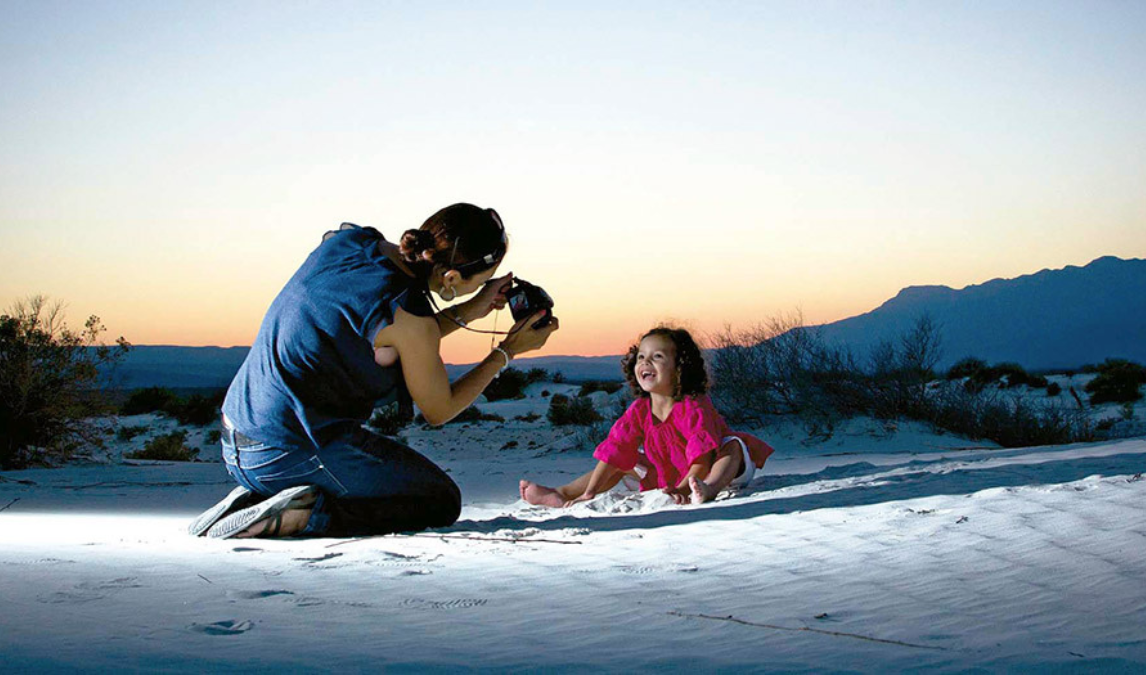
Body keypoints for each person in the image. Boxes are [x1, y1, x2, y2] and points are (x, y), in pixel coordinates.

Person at [190, 203, 558, 539]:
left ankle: (260, 496)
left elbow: (379, 328)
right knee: (439, 500)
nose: (478, 289)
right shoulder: (410, 319)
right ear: (449, 278)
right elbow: (439, 409)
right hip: (289, 449)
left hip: (237, 438)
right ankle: (300, 514)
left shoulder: (353, 242)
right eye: (478, 282)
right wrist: (507, 351)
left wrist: (470, 309)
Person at [520, 326, 772, 508]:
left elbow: (702, 459)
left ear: (680, 368)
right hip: (668, 475)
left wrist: (685, 489)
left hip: (714, 472)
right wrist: (591, 492)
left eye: (657, 357)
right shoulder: (640, 409)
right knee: (624, 461)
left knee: (733, 446)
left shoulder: (694, 406)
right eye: (641, 357)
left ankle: (709, 490)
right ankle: (562, 493)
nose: (646, 362)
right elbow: (614, 451)